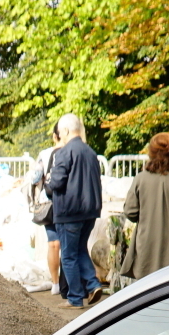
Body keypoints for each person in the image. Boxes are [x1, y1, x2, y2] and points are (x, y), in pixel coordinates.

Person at [46, 113, 104, 308]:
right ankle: (93, 284)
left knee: (69, 255)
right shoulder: (90, 152)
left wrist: (48, 180)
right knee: (80, 250)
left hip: (69, 211)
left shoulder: (64, 152)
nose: (59, 135)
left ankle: (75, 298)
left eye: (60, 132)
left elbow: (56, 182)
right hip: (90, 210)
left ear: (66, 131)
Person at [122, 133, 169, 280]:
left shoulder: (141, 179)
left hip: (148, 246)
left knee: (147, 288)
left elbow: (130, 211)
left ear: (151, 153)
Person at [28, 125, 65, 294]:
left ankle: (55, 284)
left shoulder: (44, 154)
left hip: (48, 203)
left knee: (53, 243)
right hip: (66, 202)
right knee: (68, 244)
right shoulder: (70, 152)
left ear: (53, 136)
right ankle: (68, 283)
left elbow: (35, 178)